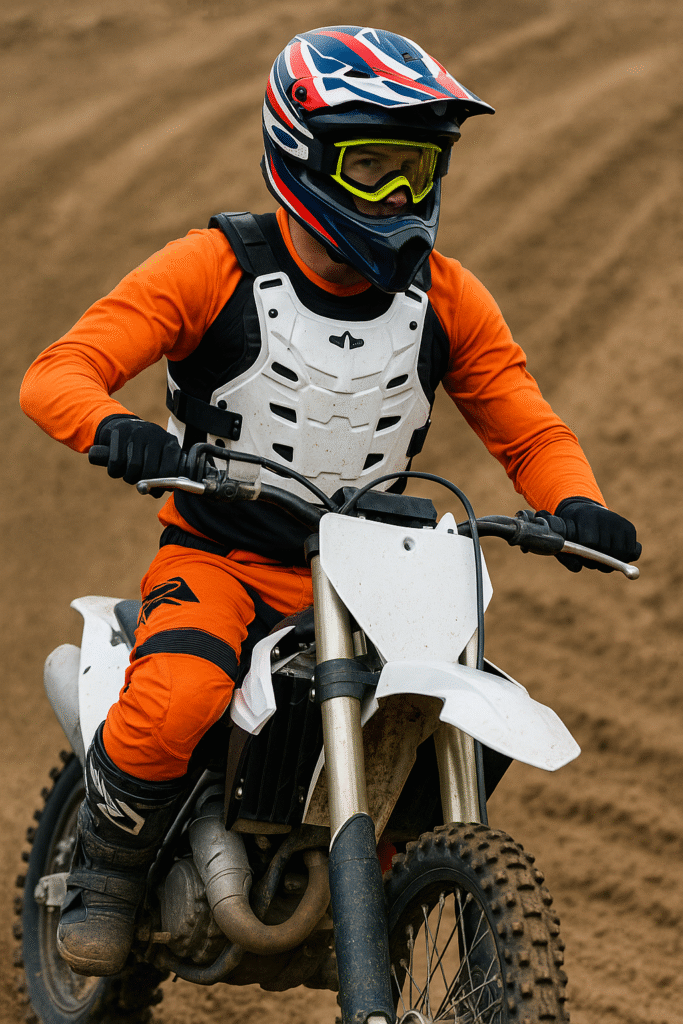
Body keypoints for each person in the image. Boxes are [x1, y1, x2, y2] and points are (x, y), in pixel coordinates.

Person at [20, 25, 640, 978]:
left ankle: (385, 882)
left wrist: (575, 503)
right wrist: (114, 427)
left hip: (366, 576)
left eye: (418, 170)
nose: (402, 197)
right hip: (220, 554)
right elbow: (58, 372)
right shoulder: (212, 266)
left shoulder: (447, 297)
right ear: (302, 155)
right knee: (179, 690)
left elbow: (527, 427)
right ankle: (106, 875)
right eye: (375, 168)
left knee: (463, 716)